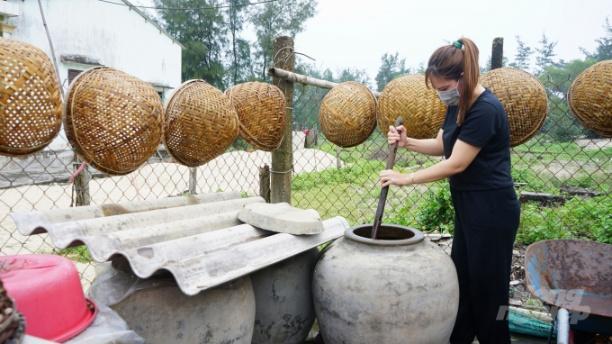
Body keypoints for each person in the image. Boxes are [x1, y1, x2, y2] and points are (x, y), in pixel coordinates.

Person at [379, 37, 520, 344]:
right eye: (438, 88)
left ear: (463, 78)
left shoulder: (485, 109)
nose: (441, 94)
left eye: (444, 88)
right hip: (469, 207)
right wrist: (408, 142)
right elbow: (445, 144)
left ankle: (497, 339)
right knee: (463, 283)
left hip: (492, 210)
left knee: (491, 292)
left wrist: (407, 178)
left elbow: (456, 163)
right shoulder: (460, 103)